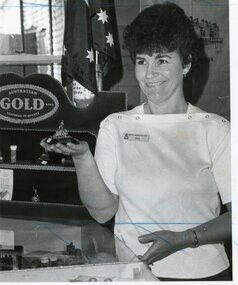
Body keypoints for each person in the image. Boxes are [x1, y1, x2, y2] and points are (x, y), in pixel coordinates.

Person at [41, 2, 231, 281]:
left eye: (162, 60)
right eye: (142, 61)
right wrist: (83, 158)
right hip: (132, 273)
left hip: (201, 274)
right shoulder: (115, 126)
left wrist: (183, 238)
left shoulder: (215, 129)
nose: (150, 73)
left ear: (187, 63)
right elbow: (103, 211)